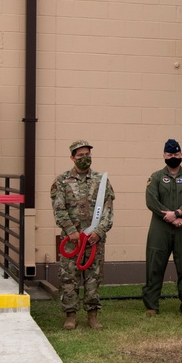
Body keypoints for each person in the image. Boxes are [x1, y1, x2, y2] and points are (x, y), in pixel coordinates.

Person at [51, 140, 115, 330]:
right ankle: (70, 315)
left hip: (95, 240)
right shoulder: (62, 181)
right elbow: (59, 209)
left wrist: (99, 231)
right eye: (80, 155)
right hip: (72, 240)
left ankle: (92, 315)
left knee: (93, 276)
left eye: (87, 154)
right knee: (69, 277)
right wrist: (71, 231)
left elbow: (108, 210)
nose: (84, 158)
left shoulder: (101, 181)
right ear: (72, 157)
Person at [142, 139, 182, 316]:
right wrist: (169, 218)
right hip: (159, 228)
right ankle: (151, 305)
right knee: (155, 264)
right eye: (170, 155)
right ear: (164, 156)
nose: (173, 157)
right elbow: (151, 201)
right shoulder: (155, 177)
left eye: (176, 154)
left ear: (181, 155)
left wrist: (177, 213)